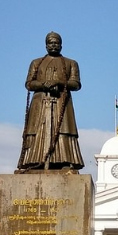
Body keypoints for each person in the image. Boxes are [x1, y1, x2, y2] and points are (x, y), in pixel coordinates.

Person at [17, 32, 85, 171]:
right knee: (37, 130)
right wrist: (43, 85)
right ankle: (34, 161)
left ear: (61, 45)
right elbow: (29, 83)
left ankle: (65, 160)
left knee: (63, 130)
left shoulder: (71, 63)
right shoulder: (36, 63)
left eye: (56, 43)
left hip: (61, 102)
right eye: (50, 43)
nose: (53, 45)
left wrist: (59, 82)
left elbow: (76, 84)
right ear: (46, 45)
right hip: (40, 103)